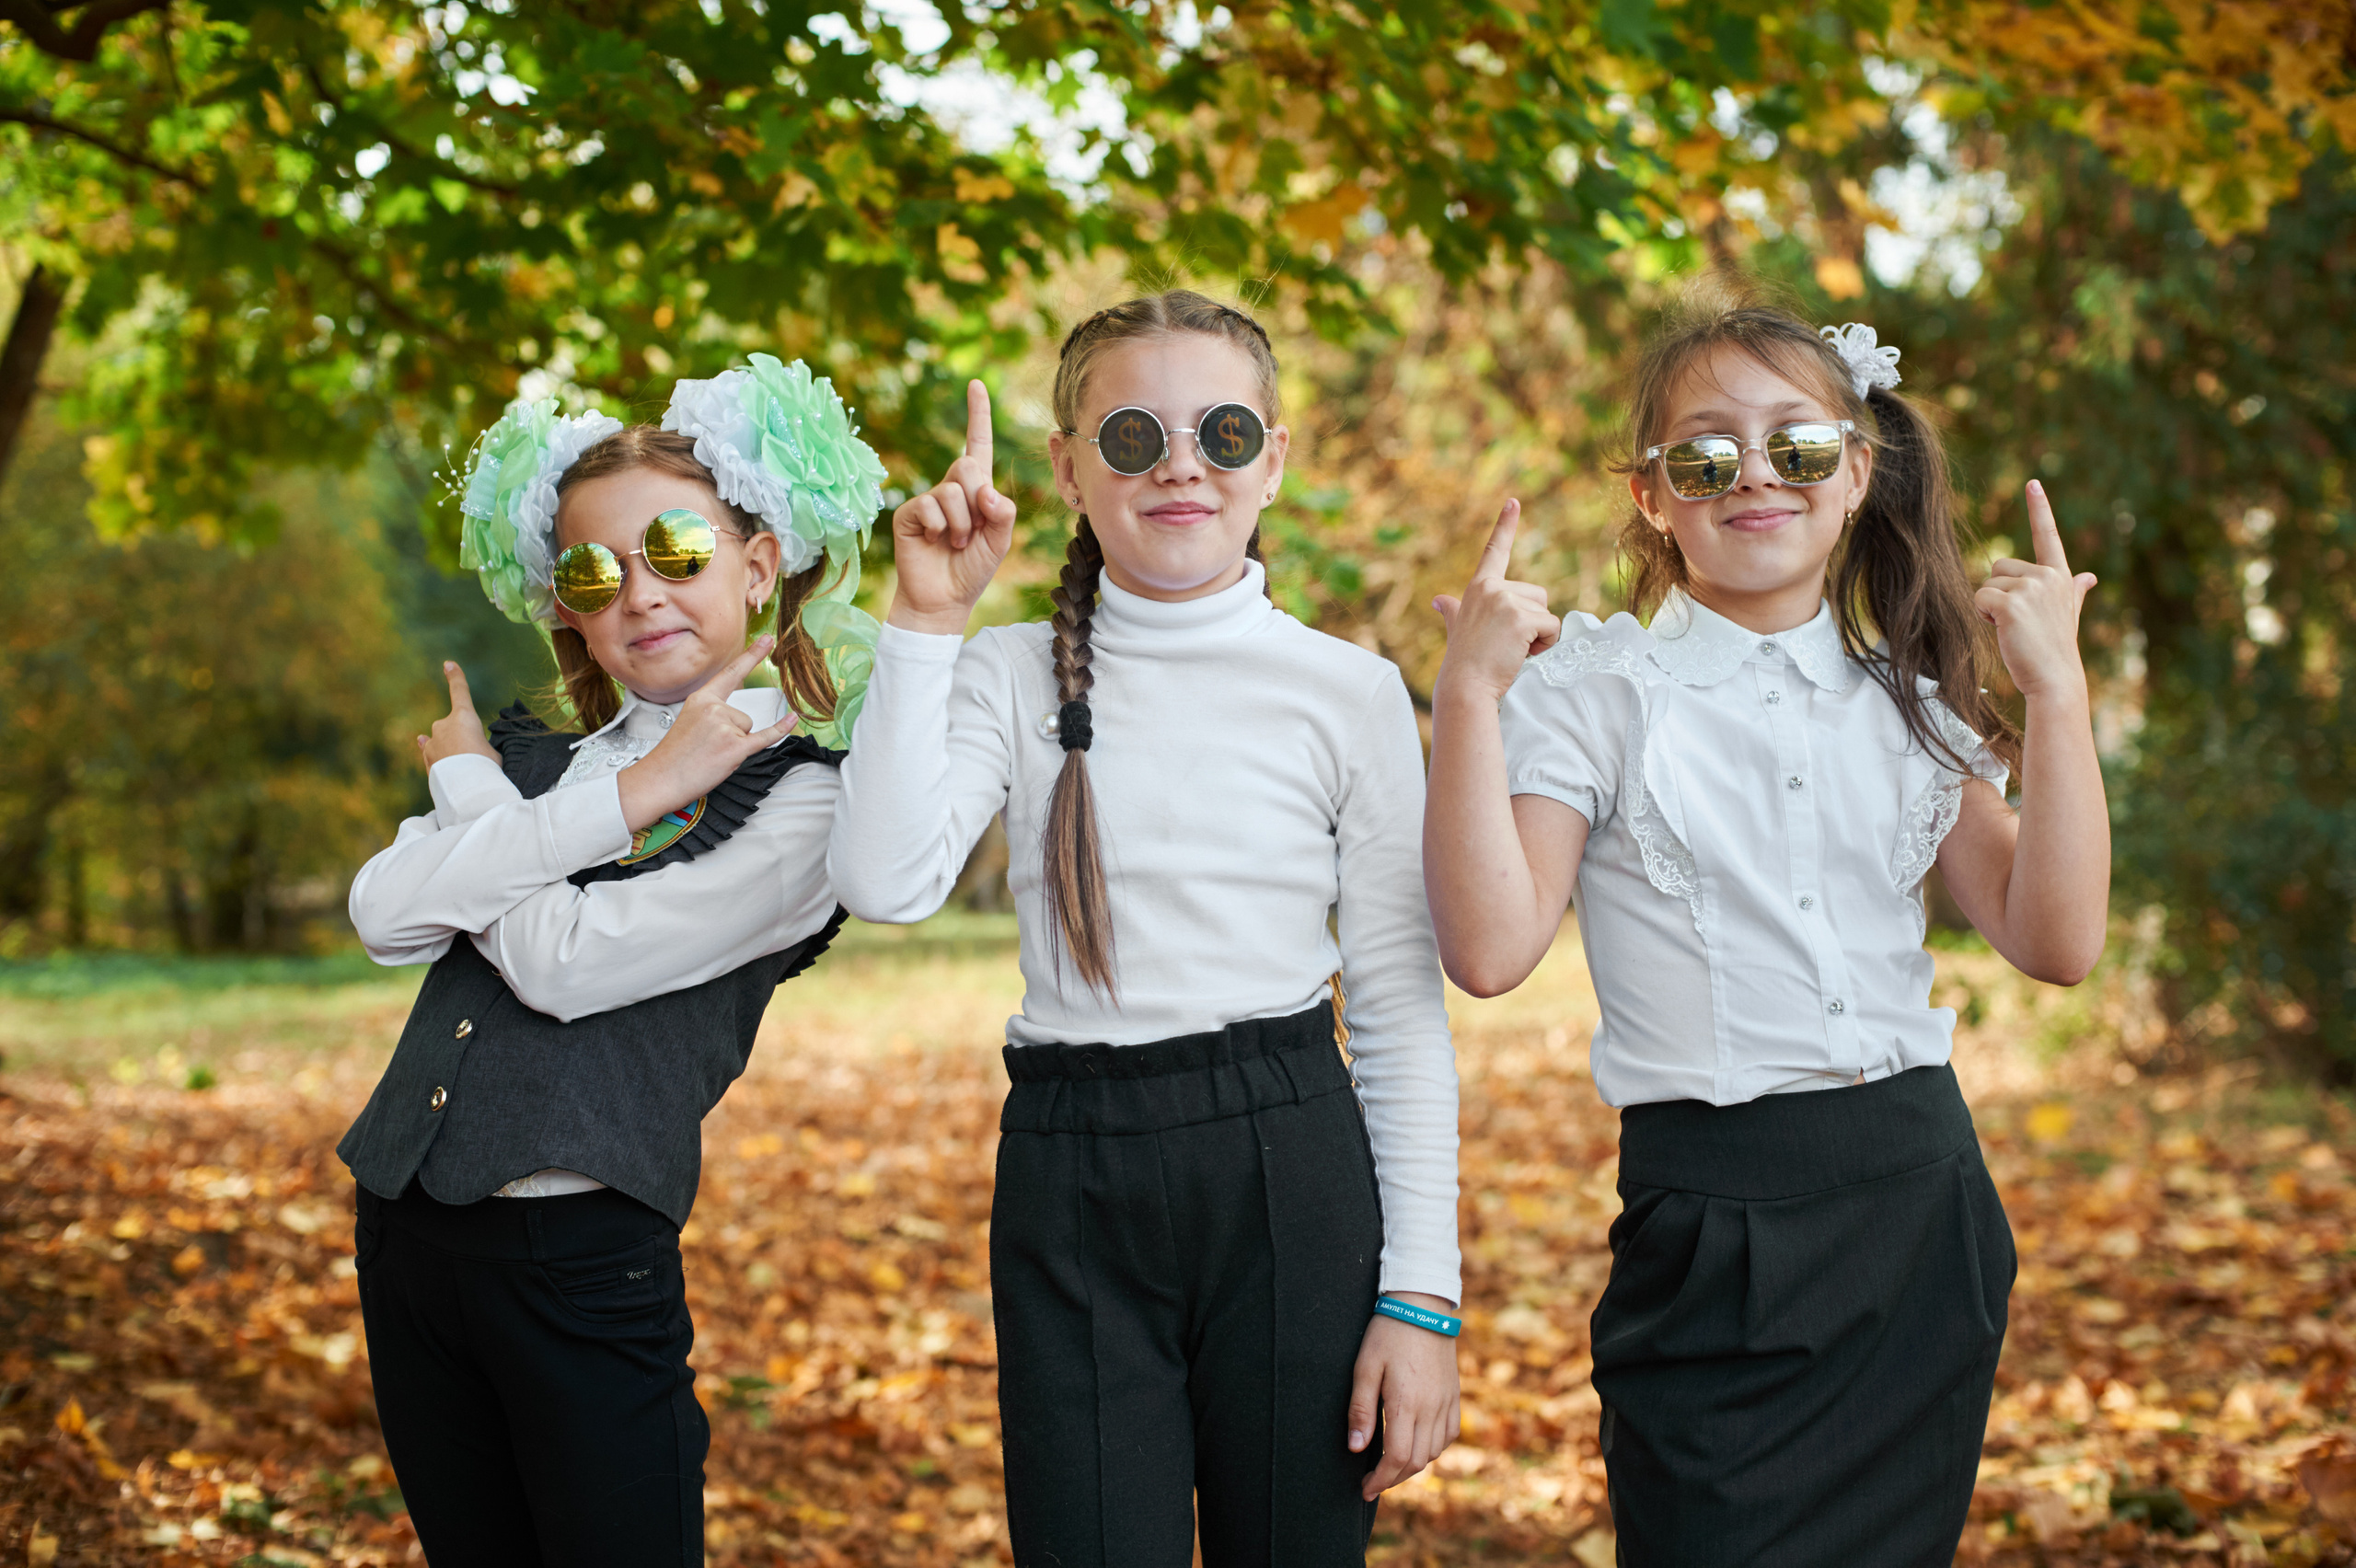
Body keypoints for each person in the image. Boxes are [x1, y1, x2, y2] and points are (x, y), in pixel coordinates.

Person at [1423, 285, 2110, 1566]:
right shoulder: (1594, 693)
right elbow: (1488, 950)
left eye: (1795, 448)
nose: (1755, 478)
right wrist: (1467, 701)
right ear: (1653, 494)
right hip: (1712, 1221)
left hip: (1922, 1211)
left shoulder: (1908, 704)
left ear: (1856, 474)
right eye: (1706, 455)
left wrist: (2056, 695)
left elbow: (2056, 939)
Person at [828, 291, 1462, 1568]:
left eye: (1223, 431)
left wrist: (1421, 1296)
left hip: (1287, 1158)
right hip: (1073, 1169)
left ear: (1272, 459)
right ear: (1066, 468)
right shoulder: (1006, 671)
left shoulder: (1346, 690)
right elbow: (886, 881)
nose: (1180, 462)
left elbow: (1396, 1006)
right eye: (1131, 436)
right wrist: (925, 620)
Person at [338, 357, 887, 1567]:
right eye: (597, 571)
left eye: (678, 551)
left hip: (575, 1257)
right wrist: (617, 795)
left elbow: (563, 964)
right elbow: (381, 914)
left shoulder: (804, 801)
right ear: (565, 606)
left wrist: (472, 793)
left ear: (758, 563)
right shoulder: (548, 742)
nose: (641, 594)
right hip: (406, 1228)